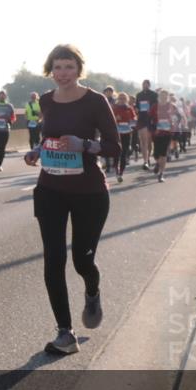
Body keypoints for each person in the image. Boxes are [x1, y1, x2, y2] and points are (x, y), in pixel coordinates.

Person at [24, 45, 120, 355]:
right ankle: (65, 333)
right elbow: (50, 136)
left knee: (82, 260)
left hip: (89, 193)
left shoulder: (95, 101)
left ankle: (92, 292)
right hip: (50, 189)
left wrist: (85, 144)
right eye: (57, 67)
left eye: (68, 66)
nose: (63, 73)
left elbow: (114, 147)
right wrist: (38, 151)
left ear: (79, 69)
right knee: (54, 259)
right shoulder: (46, 101)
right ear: (49, 70)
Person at [150, 90, 183, 182]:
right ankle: (157, 163)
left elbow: (178, 117)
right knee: (156, 153)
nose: (163, 97)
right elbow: (150, 119)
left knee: (163, 153)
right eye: (161, 96)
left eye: (165, 96)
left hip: (167, 133)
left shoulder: (172, 106)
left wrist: (173, 126)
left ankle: (161, 174)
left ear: (168, 97)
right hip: (157, 133)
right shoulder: (154, 106)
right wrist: (153, 129)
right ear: (159, 96)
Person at [112, 92, 137, 183]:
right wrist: (115, 119)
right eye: (120, 98)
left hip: (126, 132)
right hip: (116, 133)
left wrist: (132, 122)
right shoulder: (114, 108)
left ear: (127, 100)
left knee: (124, 153)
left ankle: (120, 173)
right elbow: (109, 119)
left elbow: (134, 119)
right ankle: (116, 170)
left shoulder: (129, 108)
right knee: (116, 151)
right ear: (118, 98)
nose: (122, 100)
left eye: (124, 98)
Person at [135, 79, 159, 170]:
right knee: (143, 141)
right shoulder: (139, 95)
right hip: (141, 119)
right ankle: (146, 161)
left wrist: (151, 110)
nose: (144, 85)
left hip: (150, 119)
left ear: (149, 85)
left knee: (149, 141)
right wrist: (137, 109)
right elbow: (137, 106)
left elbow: (157, 106)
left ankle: (149, 157)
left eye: (146, 84)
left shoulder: (154, 94)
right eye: (143, 84)